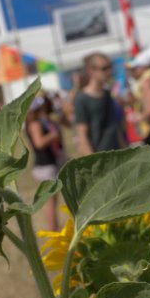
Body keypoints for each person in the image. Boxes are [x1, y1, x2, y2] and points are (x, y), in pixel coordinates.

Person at [73, 53, 126, 155]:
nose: (109, 72)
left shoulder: (108, 94)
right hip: (99, 158)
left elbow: (115, 127)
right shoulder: (82, 98)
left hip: (117, 154)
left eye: (110, 67)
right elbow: (82, 135)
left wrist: (125, 151)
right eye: (104, 68)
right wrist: (92, 163)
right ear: (91, 71)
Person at [26, 93, 65, 230]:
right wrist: (52, 135)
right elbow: (39, 143)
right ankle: (54, 231)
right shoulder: (35, 124)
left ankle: (55, 229)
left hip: (49, 164)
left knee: (53, 201)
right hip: (45, 166)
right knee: (50, 202)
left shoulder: (42, 120)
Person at [125, 52, 150, 146]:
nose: (135, 71)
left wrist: (138, 118)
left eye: (136, 68)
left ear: (145, 67)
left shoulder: (146, 82)